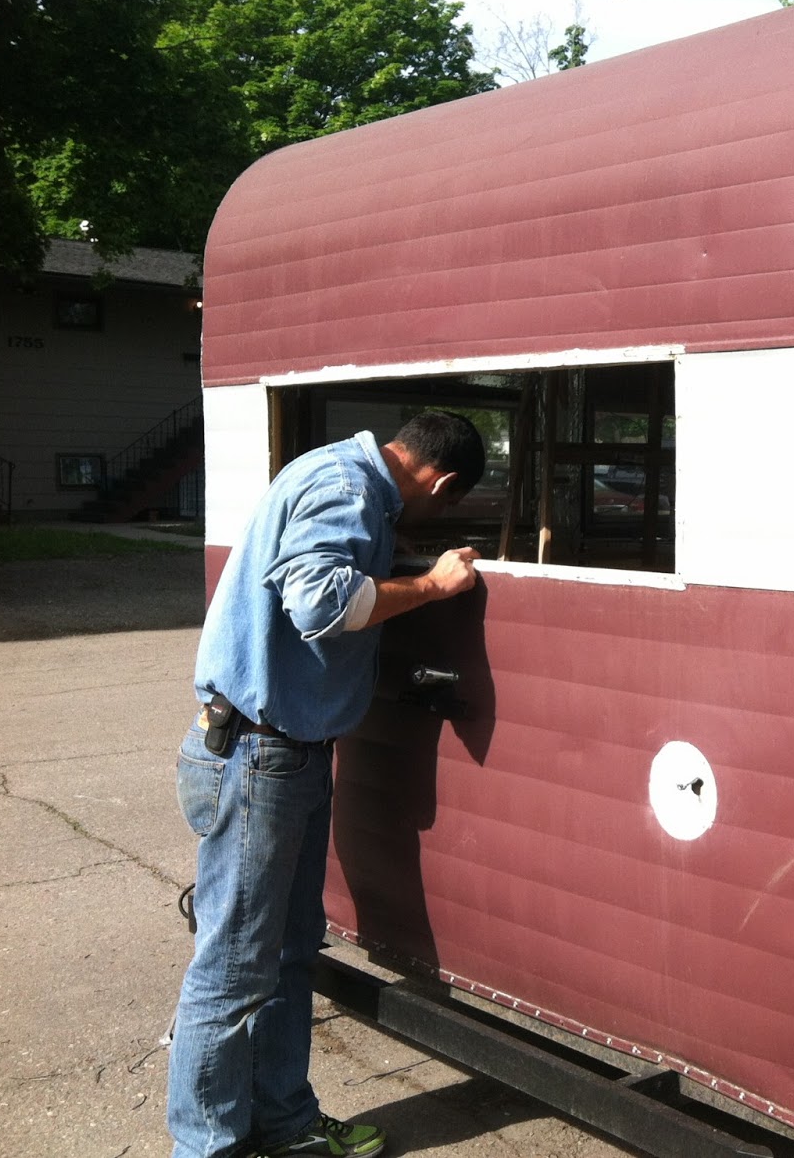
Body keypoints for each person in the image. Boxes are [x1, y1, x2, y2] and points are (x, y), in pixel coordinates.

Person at [168, 410, 486, 1158]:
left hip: (285, 754)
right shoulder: (345, 487)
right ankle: (204, 1147)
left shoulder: (344, 480)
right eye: (444, 502)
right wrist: (435, 586)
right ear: (438, 481)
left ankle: (285, 1123)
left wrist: (405, 570)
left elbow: (328, 579)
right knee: (234, 969)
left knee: (286, 953)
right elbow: (324, 603)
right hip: (259, 755)